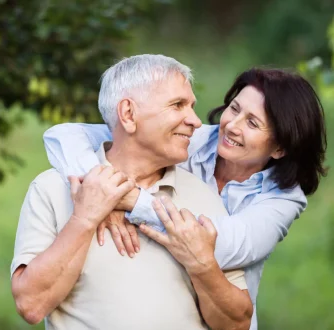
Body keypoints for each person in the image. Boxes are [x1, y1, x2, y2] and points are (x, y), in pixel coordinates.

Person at [43, 60, 327, 329]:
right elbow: (64, 136)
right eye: (234, 108)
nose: (232, 125)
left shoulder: (285, 198)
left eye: (252, 123)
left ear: (279, 148)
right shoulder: (187, 140)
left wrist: (128, 200)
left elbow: (218, 245)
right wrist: (101, 189)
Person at [11, 54, 253, 330]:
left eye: (192, 107)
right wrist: (84, 220)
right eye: (177, 105)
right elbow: (31, 305)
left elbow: (237, 324)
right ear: (128, 114)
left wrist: (203, 265)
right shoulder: (52, 189)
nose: (196, 121)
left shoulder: (204, 197)